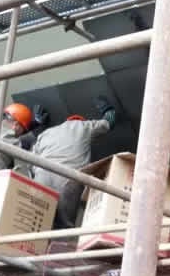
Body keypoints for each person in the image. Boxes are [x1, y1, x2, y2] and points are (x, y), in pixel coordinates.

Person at [30, 97, 116, 228]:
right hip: (68, 179)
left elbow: (31, 159)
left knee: (36, 220)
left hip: (42, 176)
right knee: (63, 226)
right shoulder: (84, 126)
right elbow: (109, 121)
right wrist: (108, 109)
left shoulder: (46, 133)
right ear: (80, 120)